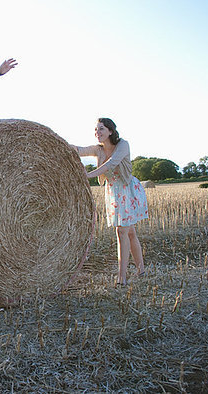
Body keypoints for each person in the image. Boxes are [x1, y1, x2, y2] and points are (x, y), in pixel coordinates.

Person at [71, 118, 149, 286]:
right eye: (96, 130)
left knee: (122, 232)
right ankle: (141, 270)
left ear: (110, 131)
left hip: (127, 190)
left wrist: (87, 175)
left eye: (101, 129)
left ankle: (122, 277)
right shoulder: (98, 149)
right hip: (113, 192)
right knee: (130, 233)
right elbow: (78, 150)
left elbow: (112, 164)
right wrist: (55, 142)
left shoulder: (123, 145)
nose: (97, 133)